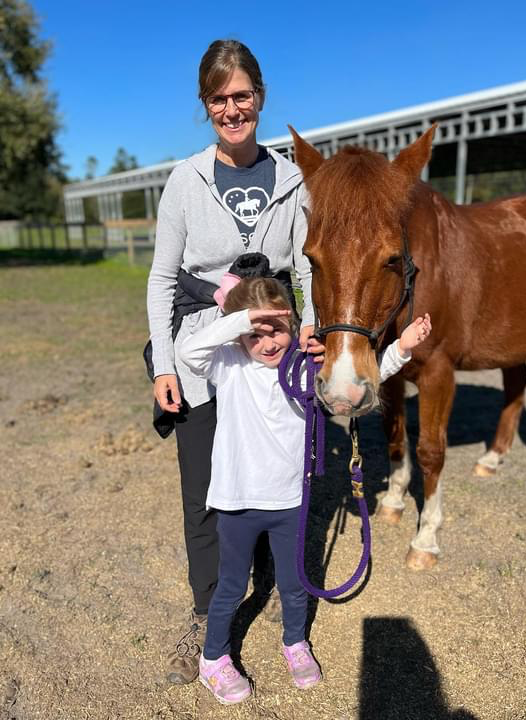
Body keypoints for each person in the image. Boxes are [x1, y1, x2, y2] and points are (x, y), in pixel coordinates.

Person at [145, 39, 319, 684]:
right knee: (204, 490)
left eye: (241, 95)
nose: (231, 108)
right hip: (202, 355)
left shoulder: (292, 178)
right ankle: (208, 614)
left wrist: (313, 330)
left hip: (269, 353)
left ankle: (273, 578)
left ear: (260, 96)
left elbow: (303, 265)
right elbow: (163, 277)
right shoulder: (185, 180)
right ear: (205, 104)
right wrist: (165, 363)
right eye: (218, 98)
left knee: (275, 464)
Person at [177, 276, 432, 704]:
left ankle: (295, 643)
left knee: (294, 583)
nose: (267, 341)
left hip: (289, 501)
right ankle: (213, 659)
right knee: (231, 585)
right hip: (237, 502)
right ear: (239, 331)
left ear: (294, 324)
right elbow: (188, 351)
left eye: (276, 328)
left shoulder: (306, 366)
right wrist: (243, 318)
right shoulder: (228, 364)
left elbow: (360, 375)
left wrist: (401, 347)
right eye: (254, 334)